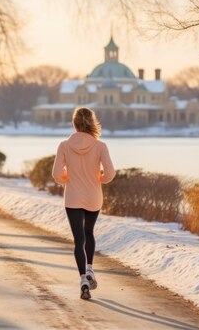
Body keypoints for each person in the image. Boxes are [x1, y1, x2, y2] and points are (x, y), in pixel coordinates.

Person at [52, 107, 115, 300]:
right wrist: (99, 178)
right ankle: (90, 269)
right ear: (92, 122)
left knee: (79, 240)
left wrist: (67, 178)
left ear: (74, 123)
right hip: (93, 197)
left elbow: (56, 175)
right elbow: (110, 174)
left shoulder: (64, 145)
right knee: (89, 233)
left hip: (72, 198)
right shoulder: (100, 146)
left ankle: (83, 280)